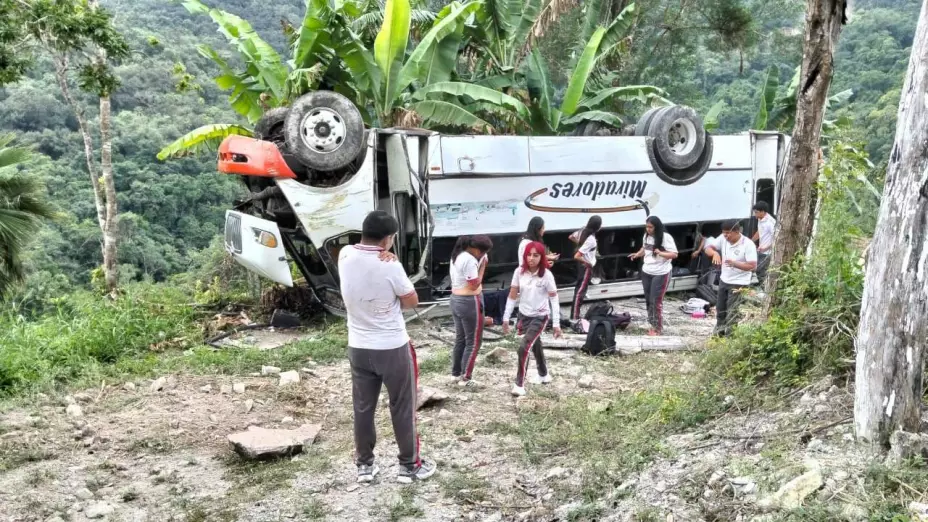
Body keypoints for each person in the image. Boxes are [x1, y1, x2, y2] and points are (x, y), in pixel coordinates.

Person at [338, 210, 436, 484]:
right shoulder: (390, 265)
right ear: (388, 239)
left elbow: (360, 261)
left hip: (358, 347)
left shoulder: (345, 255)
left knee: (363, 407)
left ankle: (365, 467)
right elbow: (411, 301)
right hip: (392, 346)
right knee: (402, 406)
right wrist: (393, 262)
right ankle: (409, 466)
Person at [502, 241, 563, 396]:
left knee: (524, 347)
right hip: (524, 315)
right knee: (535, 344)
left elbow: (554, 299)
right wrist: (505, 318)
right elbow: (512, 296)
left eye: (536, 255)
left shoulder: (547, 275)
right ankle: (544, 374)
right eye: (529, 255)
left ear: (541, 257)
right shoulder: (518, 272)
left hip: (540, 316)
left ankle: (519, 384)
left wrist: (556, 324)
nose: (531, 258)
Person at [449, 235, 494, 387]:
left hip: (456, 299)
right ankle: (466, 377)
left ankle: (455, 374)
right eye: (481, 252)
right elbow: (474, 284)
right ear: (475, 249)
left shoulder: (457, 255)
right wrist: (482, 267)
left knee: (460, 339)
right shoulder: (469, 260)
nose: (481, 255)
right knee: (473, 341)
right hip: (469, 301)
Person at [704, 220, 757, 336]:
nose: (726, 236)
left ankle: (730, 337)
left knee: (732, 311)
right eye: (724, 233)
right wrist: (715, 253)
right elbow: (707, 248)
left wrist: (735, 264)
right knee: (720, 309)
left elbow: (752, 266)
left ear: (737, 231)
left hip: (739, 282)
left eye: (729, 233)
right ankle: (719, 334)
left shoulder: (747, 244)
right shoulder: (723, 239)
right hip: (724, 279)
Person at [629, 216, 678, 335]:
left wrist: (661, 253)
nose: (648, 229)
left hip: (661, 272)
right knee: (648, 299)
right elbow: (644, 248)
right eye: (647, 227)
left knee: (656, 301)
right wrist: (637, 254)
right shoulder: (646, 236)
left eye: (651, 227)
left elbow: (674, 254)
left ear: (657, 227)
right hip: (647, 271)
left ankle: (658, 328)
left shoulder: (666, 237)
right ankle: (652, 323)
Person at [568, 215, 602, 321]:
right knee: (580, 292)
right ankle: (575, 317)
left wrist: (580, 244)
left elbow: (571, 237)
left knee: (578, 290)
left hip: (581, 266)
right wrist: (587, 262)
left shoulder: (582, 231)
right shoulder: (591, 239)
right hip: (586, 267)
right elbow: (577, 256)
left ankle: (574, 315)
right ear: (598, 226)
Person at [751, 202, 776, 288]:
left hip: (767, 252)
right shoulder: (760, 219)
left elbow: (776, 238)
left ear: (763, 211)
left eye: (756, 212)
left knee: (762, 272)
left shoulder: (771, 222)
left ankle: (764, 289)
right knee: (757, 270)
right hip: (761, 250)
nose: (755, 214)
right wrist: (751, 241)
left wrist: (766, 248)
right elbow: (759, 232)